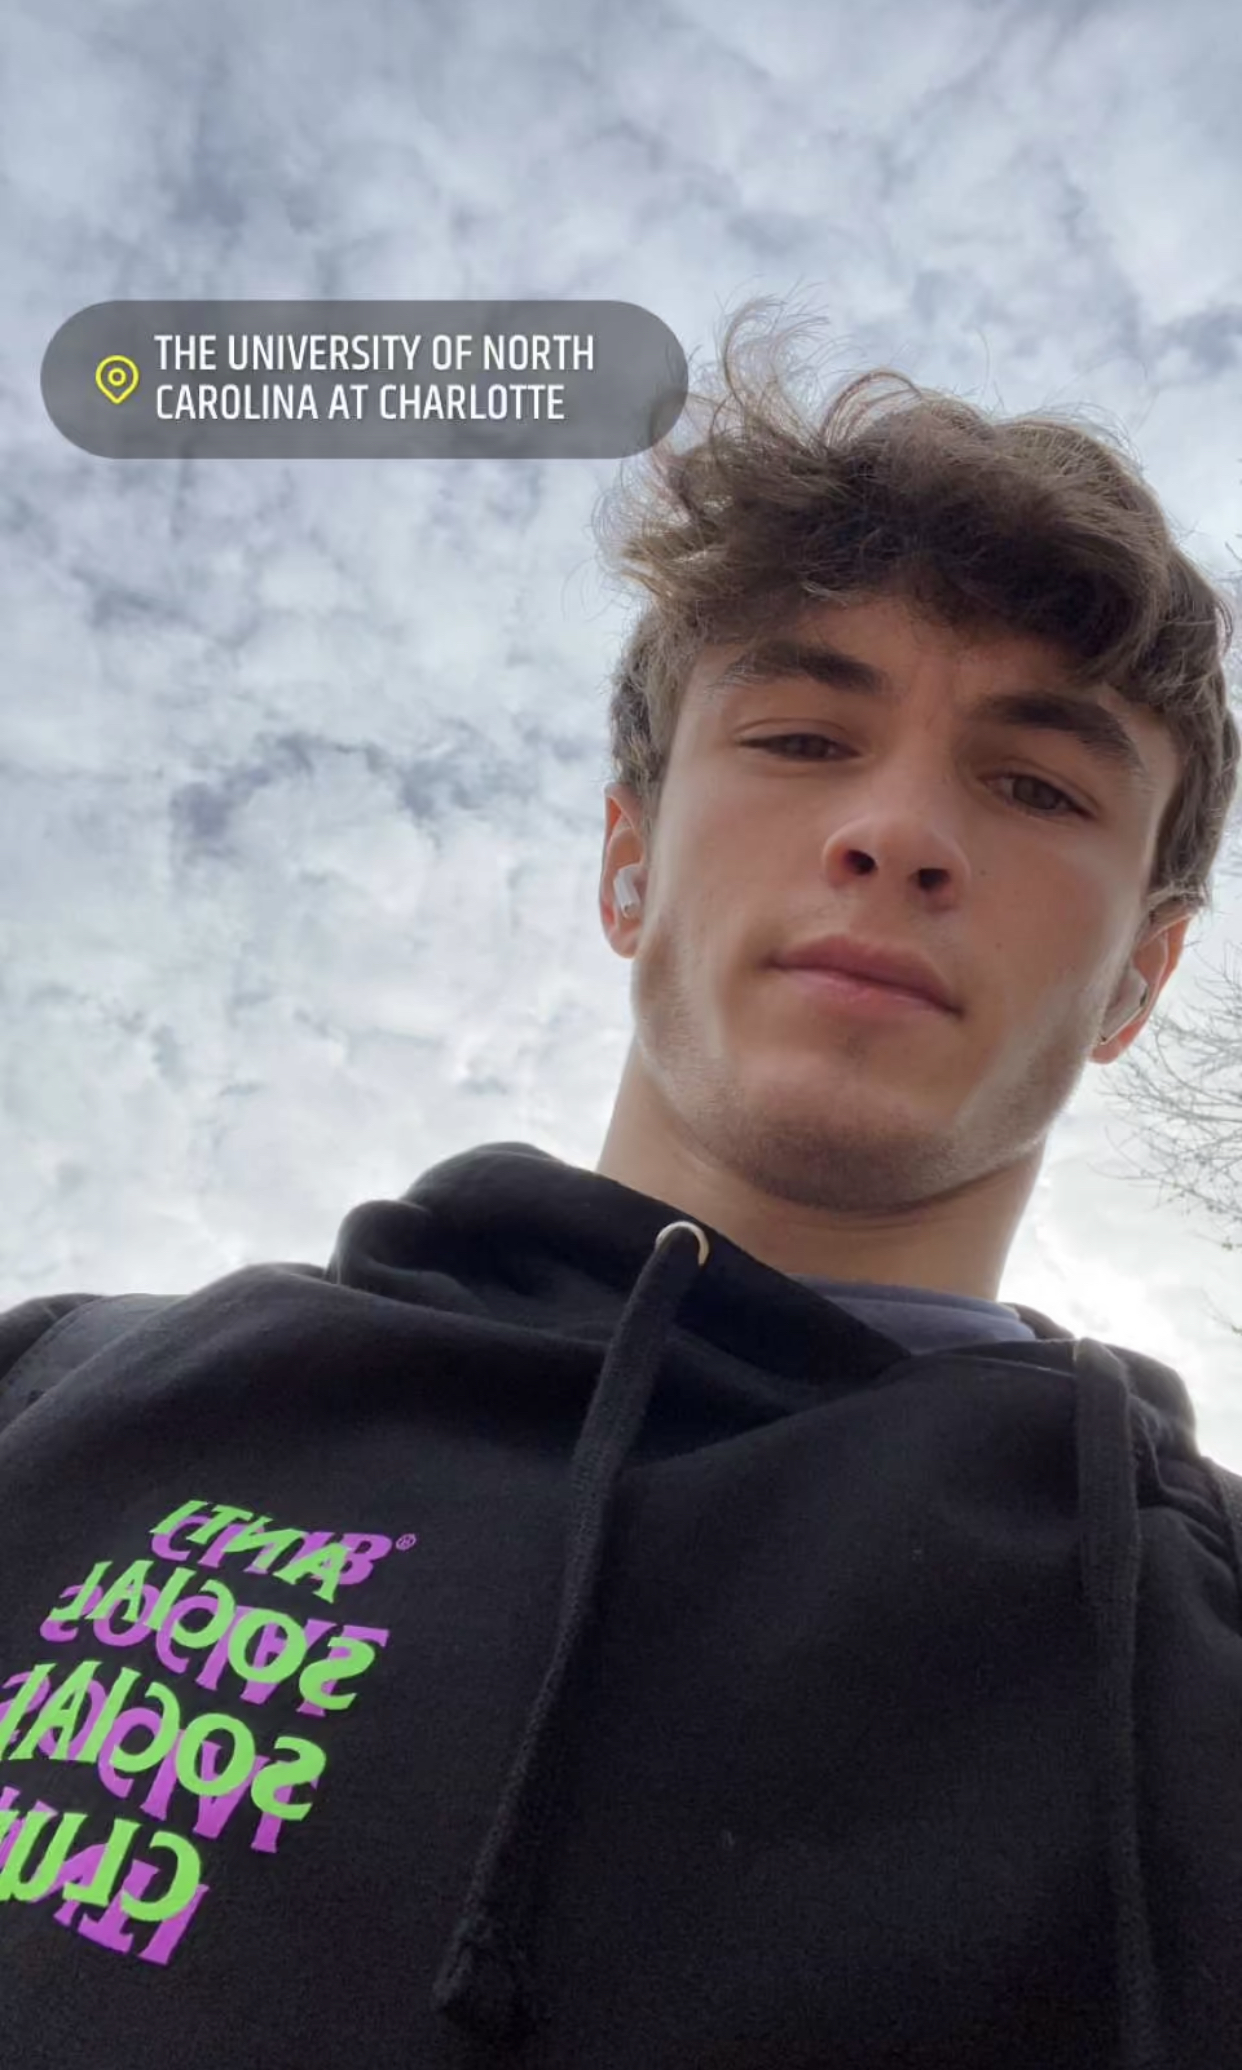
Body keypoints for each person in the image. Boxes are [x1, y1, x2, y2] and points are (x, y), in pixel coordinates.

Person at [2, 299, 1241, 2070]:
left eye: (1036, 784)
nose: (899, 833)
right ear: (625, 861)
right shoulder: (54, 1385)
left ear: (1138, 976)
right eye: (801, 737)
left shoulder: (1200, 1644)